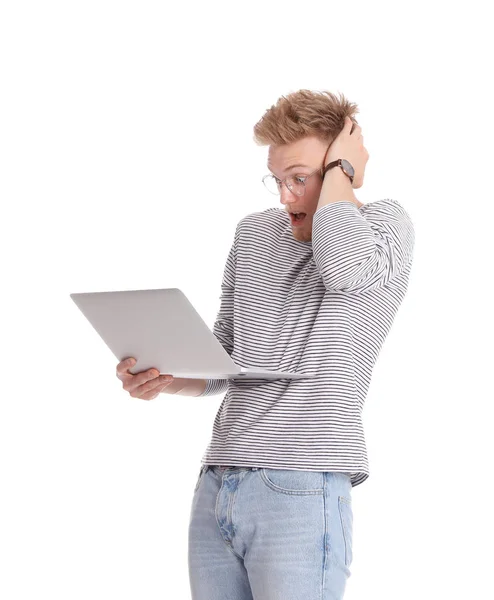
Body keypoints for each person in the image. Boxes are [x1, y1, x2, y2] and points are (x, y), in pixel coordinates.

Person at [116, 89, 415, 599]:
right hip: (219, 481)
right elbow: (224, 360)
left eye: (301, 178)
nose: (284, 197)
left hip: (301, 486)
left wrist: (342, 170)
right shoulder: (254, 233)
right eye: (277, 179)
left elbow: (342, 269)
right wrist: (163, 377)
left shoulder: (382, 227)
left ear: (344, 168)